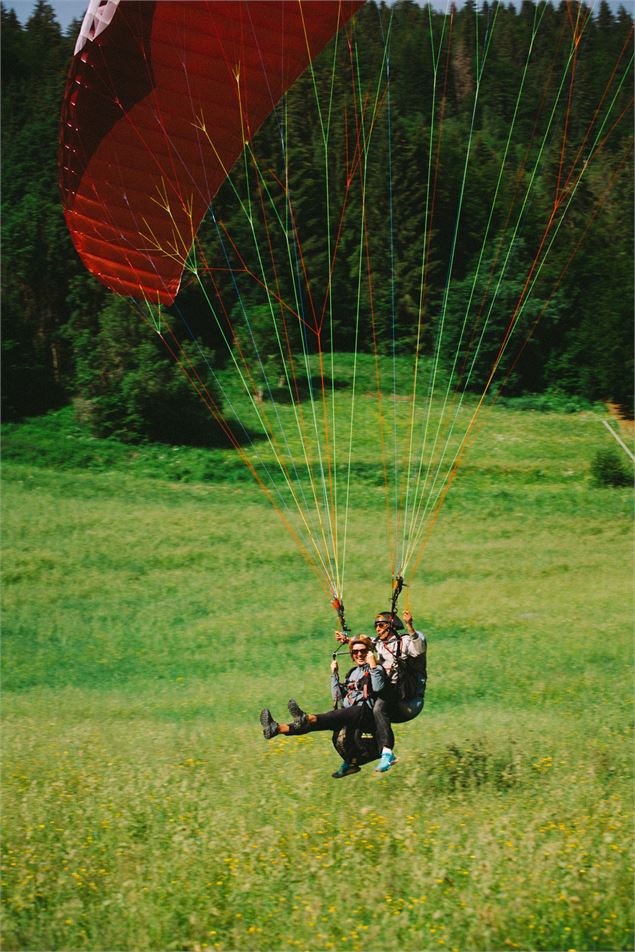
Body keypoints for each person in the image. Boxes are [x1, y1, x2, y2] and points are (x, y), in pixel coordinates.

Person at [259, 635, 385, 778]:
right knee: (315, 724)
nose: (359, 654)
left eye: (362, 651)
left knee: (326, 717)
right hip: (349, 713)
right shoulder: (352, 673)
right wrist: (334, 675)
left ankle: (304, 717)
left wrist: (373, 665)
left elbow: (379, 687)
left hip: (364, 713)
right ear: (351, 655)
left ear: (369, 651)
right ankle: (276, 728)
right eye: (355, 652)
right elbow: (337, 697)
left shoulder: (376, 667)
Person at [371, 608, 427, 773]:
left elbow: (419, 649)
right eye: (376, 626)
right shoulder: (380, 644)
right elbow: (366, 640)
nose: (378, 629)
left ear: (392, 626)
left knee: (379, 707)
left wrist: (410, 626)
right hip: (393, 696)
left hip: (409, 699)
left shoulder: (406, 642)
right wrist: (347, 639)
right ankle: (354, 756)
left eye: (381, 625)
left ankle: (388, 754)